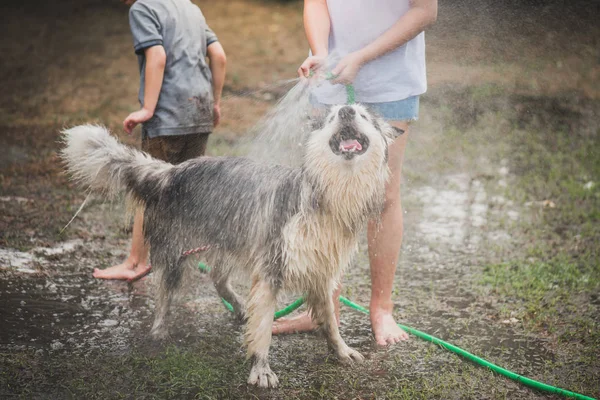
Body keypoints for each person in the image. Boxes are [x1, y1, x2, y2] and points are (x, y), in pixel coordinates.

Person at [272, 0, 437, 345]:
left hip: (390, 84)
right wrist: (321, 51)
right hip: (329, 80)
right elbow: (316, 3)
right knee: (324, 195)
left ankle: (382, 309)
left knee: (384, 197)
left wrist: (361, 57)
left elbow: (424, 11)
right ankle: (322, 308)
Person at [93, 0, 226, 281]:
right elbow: (219, 55)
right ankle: (181, 257)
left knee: (149, 187)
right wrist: (215, 103)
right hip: (199, 112)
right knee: (184, 187)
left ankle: (135, 263)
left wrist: (148, 109)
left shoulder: (144, 8)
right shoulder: (191, 8)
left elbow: (157, 56)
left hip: (168, 114)